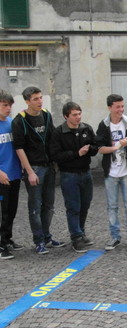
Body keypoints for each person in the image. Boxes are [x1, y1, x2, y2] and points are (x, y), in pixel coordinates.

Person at [12, 87, 65, 254]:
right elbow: (19, 148)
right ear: (27, 101)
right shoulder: (19, 121)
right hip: (34, 168)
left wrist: (57, 161)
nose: (39, 101)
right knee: (35, 206)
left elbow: (52, 138)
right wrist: (29, 172)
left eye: (40, 98)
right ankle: (38, 240)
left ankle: (47, 237)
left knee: (49, 205)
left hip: (49, 166)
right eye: (35, 99)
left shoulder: (47, 115)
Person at [49, 102, 98, 253]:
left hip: (86, 172)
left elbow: (96, 147)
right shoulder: (58, 133)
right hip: (68, 175)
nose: (78, 117)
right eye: (74, 115)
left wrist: (90, 149)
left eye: (79, 114)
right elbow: (55, 155)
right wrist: (77, 153)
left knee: (85, 205)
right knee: (73, 207)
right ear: (66, 116)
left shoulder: (86, 128)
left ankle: (81, 232)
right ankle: (76, 237)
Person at [96, 94, 127, 250]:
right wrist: (115, 147)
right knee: (112, 207)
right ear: (110, 107)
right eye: (117, 107)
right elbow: (99, 148)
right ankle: (115, 237)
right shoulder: (103, 125)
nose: (121, 109)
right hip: (111, 173)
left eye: (122, 106)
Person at [0, 90, 23, 259]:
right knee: (4, 212)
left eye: (10, 105)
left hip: (15, 174)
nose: (8, 108)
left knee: (12, 210)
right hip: (2, 176)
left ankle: (7, 239)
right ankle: (1, 245)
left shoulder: (10, 123)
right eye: (5, 105)